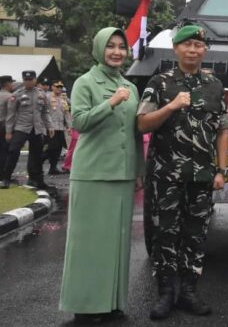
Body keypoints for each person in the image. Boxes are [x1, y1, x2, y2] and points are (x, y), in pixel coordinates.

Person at [137, 24, 228, 320]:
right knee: (165, 233)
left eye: (198, 46)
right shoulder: (160, 83)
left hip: (202, 176)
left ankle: (189, 292)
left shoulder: (215, 85)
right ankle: (166, 293)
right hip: (166, 176)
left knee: (195, 235)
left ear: (204, 50)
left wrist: (221, 170)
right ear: (176, 49)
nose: (193, 50)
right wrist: (171, 107)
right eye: (187, 45)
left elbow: (223, 131)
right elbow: (142, 124)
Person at [59, 27, 144, 324]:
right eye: (111, 46)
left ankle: (111, 302)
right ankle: (85, 305)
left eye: (121, 46)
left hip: (122, 173)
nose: (117, 52)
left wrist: (138, 170)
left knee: (117, 243)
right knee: (89, 242)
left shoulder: (130, 87)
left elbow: (135, 133)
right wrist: (111, 102)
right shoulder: (85, 82)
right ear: (99, 49)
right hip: (93, 172)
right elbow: (80, 122)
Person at [2, 70, 53, 190]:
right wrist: (9, 131)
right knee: (13, 151)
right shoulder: (17, 94)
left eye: (31, 80)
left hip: (37, 129)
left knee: (37, 155)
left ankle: (38, 180)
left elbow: (45, 112)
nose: (28, 82)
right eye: (26, 80)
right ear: (23, 80)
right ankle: (6, 179)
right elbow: (11, 115)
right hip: (21, 128)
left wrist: (49, 126)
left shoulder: (42, 94)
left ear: (35, 80)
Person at [42, 80, 71, 175]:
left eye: (60, 87)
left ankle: (53, 168)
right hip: (50, 128)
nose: (59, 89)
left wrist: (69, 126)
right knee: (50, 148)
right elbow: (44, 112)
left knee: (58, 149)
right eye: (57, 87)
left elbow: (66, 113)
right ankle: (37, 165)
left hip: (60, 127)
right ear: (52, 87)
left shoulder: (64, 98)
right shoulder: (47, 97)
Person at [0, 75, 15, 188]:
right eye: (11, 83)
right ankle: (4, 175)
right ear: (7, 84)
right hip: (5, 126)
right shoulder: (10, 97)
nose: (13, 84)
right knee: (6, 151)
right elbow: (11, 114)